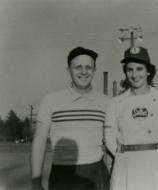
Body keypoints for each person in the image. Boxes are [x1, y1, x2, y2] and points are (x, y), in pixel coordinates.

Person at [31, 47, 110, 190]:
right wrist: (36, 182)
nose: (84, 72)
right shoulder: (50, 100)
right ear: (68, 69)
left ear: (94, 70)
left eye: (88, 67)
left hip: (96, 173)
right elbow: (39, 142)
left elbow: (110, 143)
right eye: (78, 67)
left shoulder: (106, 102)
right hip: (62, 174)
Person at [104, 46, 158, 190]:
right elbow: (109, 138)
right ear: (125, 72)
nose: (134, 75)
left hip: (156, 164)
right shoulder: (115, 103)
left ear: (148, 71)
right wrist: (123, 157)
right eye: (129, 70)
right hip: (126, 164)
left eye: (139, 69)